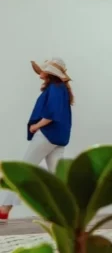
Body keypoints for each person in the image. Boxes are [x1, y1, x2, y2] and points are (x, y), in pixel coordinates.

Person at [0, 59, 74, 224]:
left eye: (43, 69)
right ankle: (64, 211)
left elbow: (51, 114)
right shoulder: (61, 89)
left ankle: (3, 209)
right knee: (57, 176)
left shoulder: (55, 88)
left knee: (23, 170)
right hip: (59, 137)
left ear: (51, 73)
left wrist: (36, 126)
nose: (40, 72)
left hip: (47, 135)